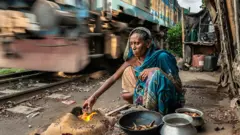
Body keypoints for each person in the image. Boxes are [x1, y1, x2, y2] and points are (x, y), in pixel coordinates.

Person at [83, 27, 185, 115]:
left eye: (137, 43)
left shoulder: (162, 57)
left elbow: (178, 88)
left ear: (148, 43)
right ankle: (147, 112)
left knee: (156, 74)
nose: (133, 47)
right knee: (127, 78)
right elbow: (113, 78)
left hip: (169, 99)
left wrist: (157, 70)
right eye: (131, 43)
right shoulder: (133, 60)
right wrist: (93, 97)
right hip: (148, 97)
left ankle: (162, 115)